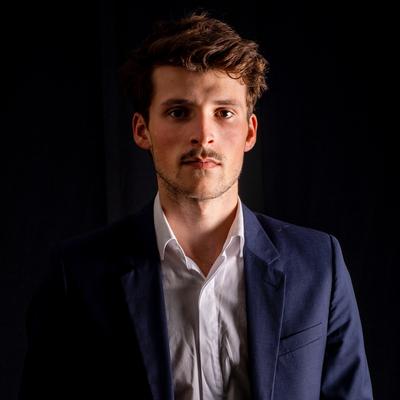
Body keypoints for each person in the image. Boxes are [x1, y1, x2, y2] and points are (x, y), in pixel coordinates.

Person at [19, 11, 373, 400]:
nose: (203, 135)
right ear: (142, 130)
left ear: (249, 132)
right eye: (178, 112)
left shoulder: (318, 264)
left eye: (224, 113)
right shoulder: (77, 276)